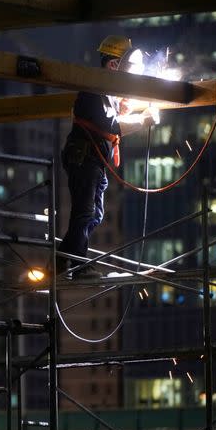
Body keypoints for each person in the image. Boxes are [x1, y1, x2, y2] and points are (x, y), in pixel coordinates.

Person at [57, 35, 157, 279]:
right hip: (84, 158)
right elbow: (112, 125)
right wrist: (143, 120)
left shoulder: (107, 93)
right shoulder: (94, 89)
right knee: (85, 213)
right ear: (113, 65)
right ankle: (79, 266)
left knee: (95, 214)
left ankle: (62, 260)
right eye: (129, 67)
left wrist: (124, 105)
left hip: (95, 161)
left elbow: (113, 117)